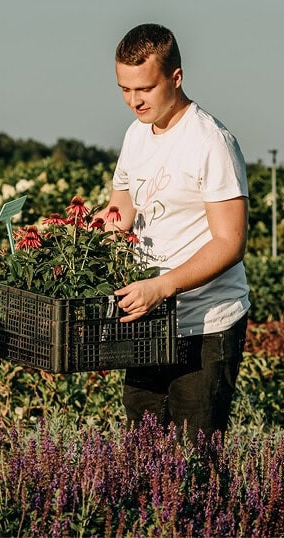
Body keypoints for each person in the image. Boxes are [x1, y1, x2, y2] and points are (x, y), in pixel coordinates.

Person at [98, 23, 250, 444]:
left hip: (206, 325)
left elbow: (230, 242)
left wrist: (162, 286)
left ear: (176, 77)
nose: (133, 101)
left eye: (144, 89)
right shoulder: (135, 135)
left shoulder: (210, 142)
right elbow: (119, 214)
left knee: (195, 461)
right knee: (142, 457)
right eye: (124, 90)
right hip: (148, 322)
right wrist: (77, 243)